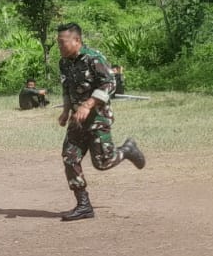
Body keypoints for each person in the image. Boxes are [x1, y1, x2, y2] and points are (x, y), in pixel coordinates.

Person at [55, 22, 146, 222]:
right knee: (70, 158)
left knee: (103, 163)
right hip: (77, 120)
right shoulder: (64, 63)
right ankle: (83, 205)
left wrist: (88, 105)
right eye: (58, 43)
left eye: (62, 43)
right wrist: (66, 110)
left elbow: (110, 83)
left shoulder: (93, 58)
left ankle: (127, 150)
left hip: (98, 118)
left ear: (76, 40)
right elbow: (67, 88)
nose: (59, 47)